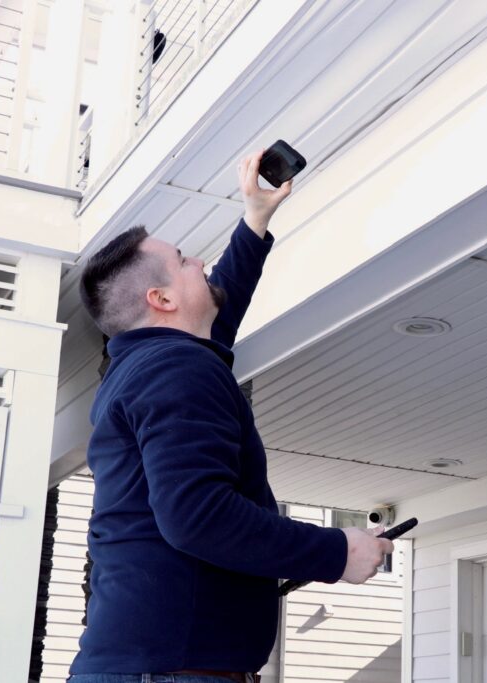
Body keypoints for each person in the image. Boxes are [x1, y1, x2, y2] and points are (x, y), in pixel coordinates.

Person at [68, 150, 394, 683]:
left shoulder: (146, 365)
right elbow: (197, 516)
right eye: (183, 260)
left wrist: (255, 218)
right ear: (162, 298)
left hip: (156, 668)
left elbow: (216, 309)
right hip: (174, 673)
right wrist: (335, 552)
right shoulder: (176, 368)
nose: (199, 262)